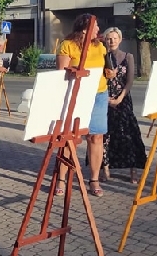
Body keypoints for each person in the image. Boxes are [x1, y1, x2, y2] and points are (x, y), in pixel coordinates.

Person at [55, 13, 115, 197]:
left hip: (99, 94)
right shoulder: (68, 45)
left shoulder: (100, 46)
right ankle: (62, 179)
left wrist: (109, 73)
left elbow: (107, 68)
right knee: (69, 138)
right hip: (77, 95)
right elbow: (61, 73)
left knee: (96, 137)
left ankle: (94, 179)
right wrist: (75, 72)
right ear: (85, 28)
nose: (98, 30)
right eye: (95, 26)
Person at [101, 27, 146, 184]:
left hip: (123, 99)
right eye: (109, 38)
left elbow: (130, 81)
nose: (112, 41)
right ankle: (105, 168)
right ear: (105, 40)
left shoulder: (128, 57)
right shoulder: (101, 56)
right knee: (104, 135)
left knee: (128, 134)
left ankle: (132, 170)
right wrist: (106, 98)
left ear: (120, 40)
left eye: (114, 38)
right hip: (104, 99)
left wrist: (119, 98)